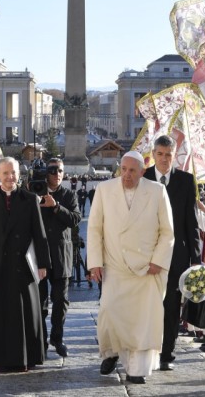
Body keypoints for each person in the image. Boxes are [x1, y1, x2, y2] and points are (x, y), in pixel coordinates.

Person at [87, 151, 174, 384]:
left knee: (142, 321)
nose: (126, 175)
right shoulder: (104, 190)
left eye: (132, 170)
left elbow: (167, 231)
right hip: (115, 265)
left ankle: (136, 369)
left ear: (142, 172)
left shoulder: (157, 191)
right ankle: (112, 352)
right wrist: (94, 262)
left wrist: (159, 260)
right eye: (123, 169)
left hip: (146, 268)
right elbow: (94, 228)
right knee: (110, 313)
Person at [0, 156, 51, 372]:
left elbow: (39, 233)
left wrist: (42, 263)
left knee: (24, 312)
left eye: (13, 173)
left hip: (23, 265)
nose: (10, 177)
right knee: (0, 312)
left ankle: (27, 357)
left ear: (19, 174)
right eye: (6, 173)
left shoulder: (30, 199)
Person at [142, 135, 199, 371]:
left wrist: (196, 259)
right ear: (153, 154)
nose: (164, 159)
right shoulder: (142, 178)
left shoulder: (186, 181)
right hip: (146, 255)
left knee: (172, 306)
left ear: (174, 155)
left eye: (168, 154)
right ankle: (146, 350)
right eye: (160, 154)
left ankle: (167, 353)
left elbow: (192, 222)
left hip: (176, 256)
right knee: (146, 304)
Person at [38, 158, 81, 358]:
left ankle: (57, 337)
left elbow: (75, 219)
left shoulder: (69, 194)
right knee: (39, 301)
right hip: (40, 254)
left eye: (60, 171)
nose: (57, 174)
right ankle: (41, 339)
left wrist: (56, 207)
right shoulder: (35, 193)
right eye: (53, 170)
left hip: (62, 254)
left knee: (61, 300)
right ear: (46, 172)